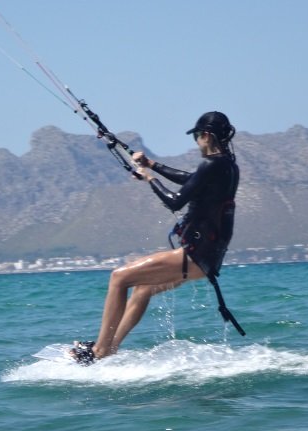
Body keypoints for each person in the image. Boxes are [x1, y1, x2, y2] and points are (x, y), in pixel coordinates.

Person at [71, 111, 240, 364]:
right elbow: (191, 180)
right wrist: (152, 165)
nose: (196, 141)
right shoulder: (228, 165)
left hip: (194, 254)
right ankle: (110, 348)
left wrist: (149, 179)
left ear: (205, 135)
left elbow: (175, 201)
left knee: (119, 278)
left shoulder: (210, 165)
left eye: (196, 136)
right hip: (209, 258)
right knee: (143, 288)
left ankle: (99, 351)